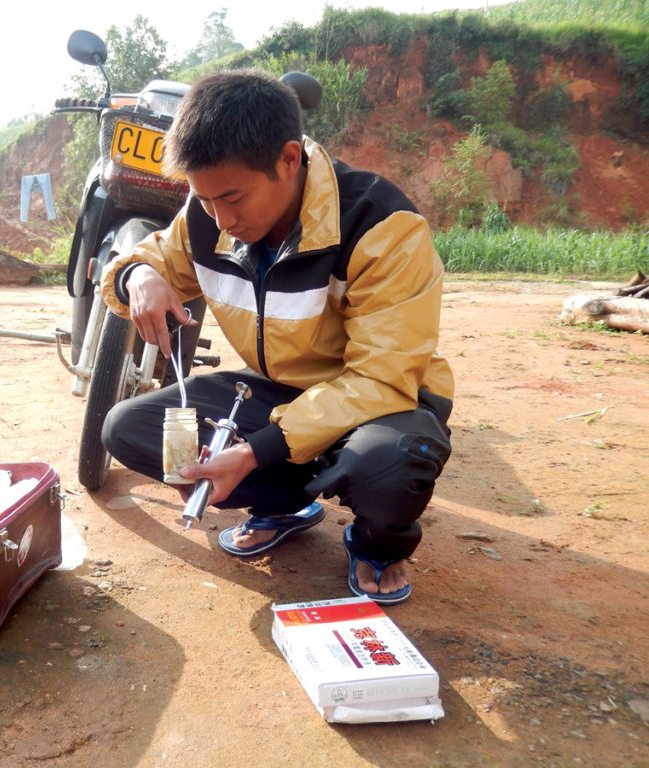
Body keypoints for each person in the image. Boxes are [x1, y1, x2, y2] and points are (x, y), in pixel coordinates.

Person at [98, 69, 454, 605]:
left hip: (379, 403)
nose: (223, 218)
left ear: (289, 160)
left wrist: (253, 451)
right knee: (130, 427)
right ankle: (287, 504)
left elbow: (381, 378)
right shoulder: (207, 215)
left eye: (233, 198)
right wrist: (139, 276)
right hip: (280, 391)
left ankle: (378, 544)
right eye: (206, 199)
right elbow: (149, 256)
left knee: (392, 464)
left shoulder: (381, 226)